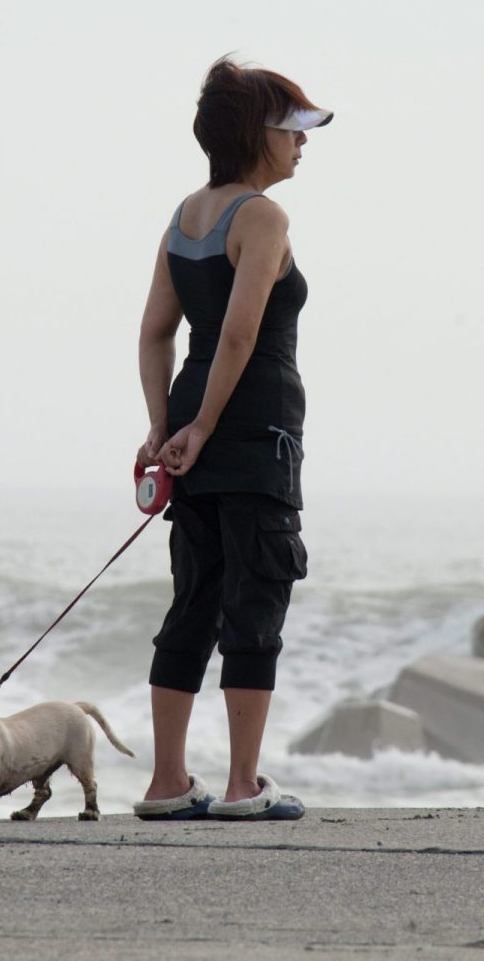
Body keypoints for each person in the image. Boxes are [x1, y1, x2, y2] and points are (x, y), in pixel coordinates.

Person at [129, 57, 328, 823]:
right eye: (292, 129)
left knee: (195, 601)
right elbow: (242, 336)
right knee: (256, 600)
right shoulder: (263, 218)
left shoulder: (185, 217)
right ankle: (244, 785)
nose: (302, 144)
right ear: (255, 135)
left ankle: (167, 782)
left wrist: (165, 426)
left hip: (192, 424)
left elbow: (156, 332)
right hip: (253, 434)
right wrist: (206, 427)